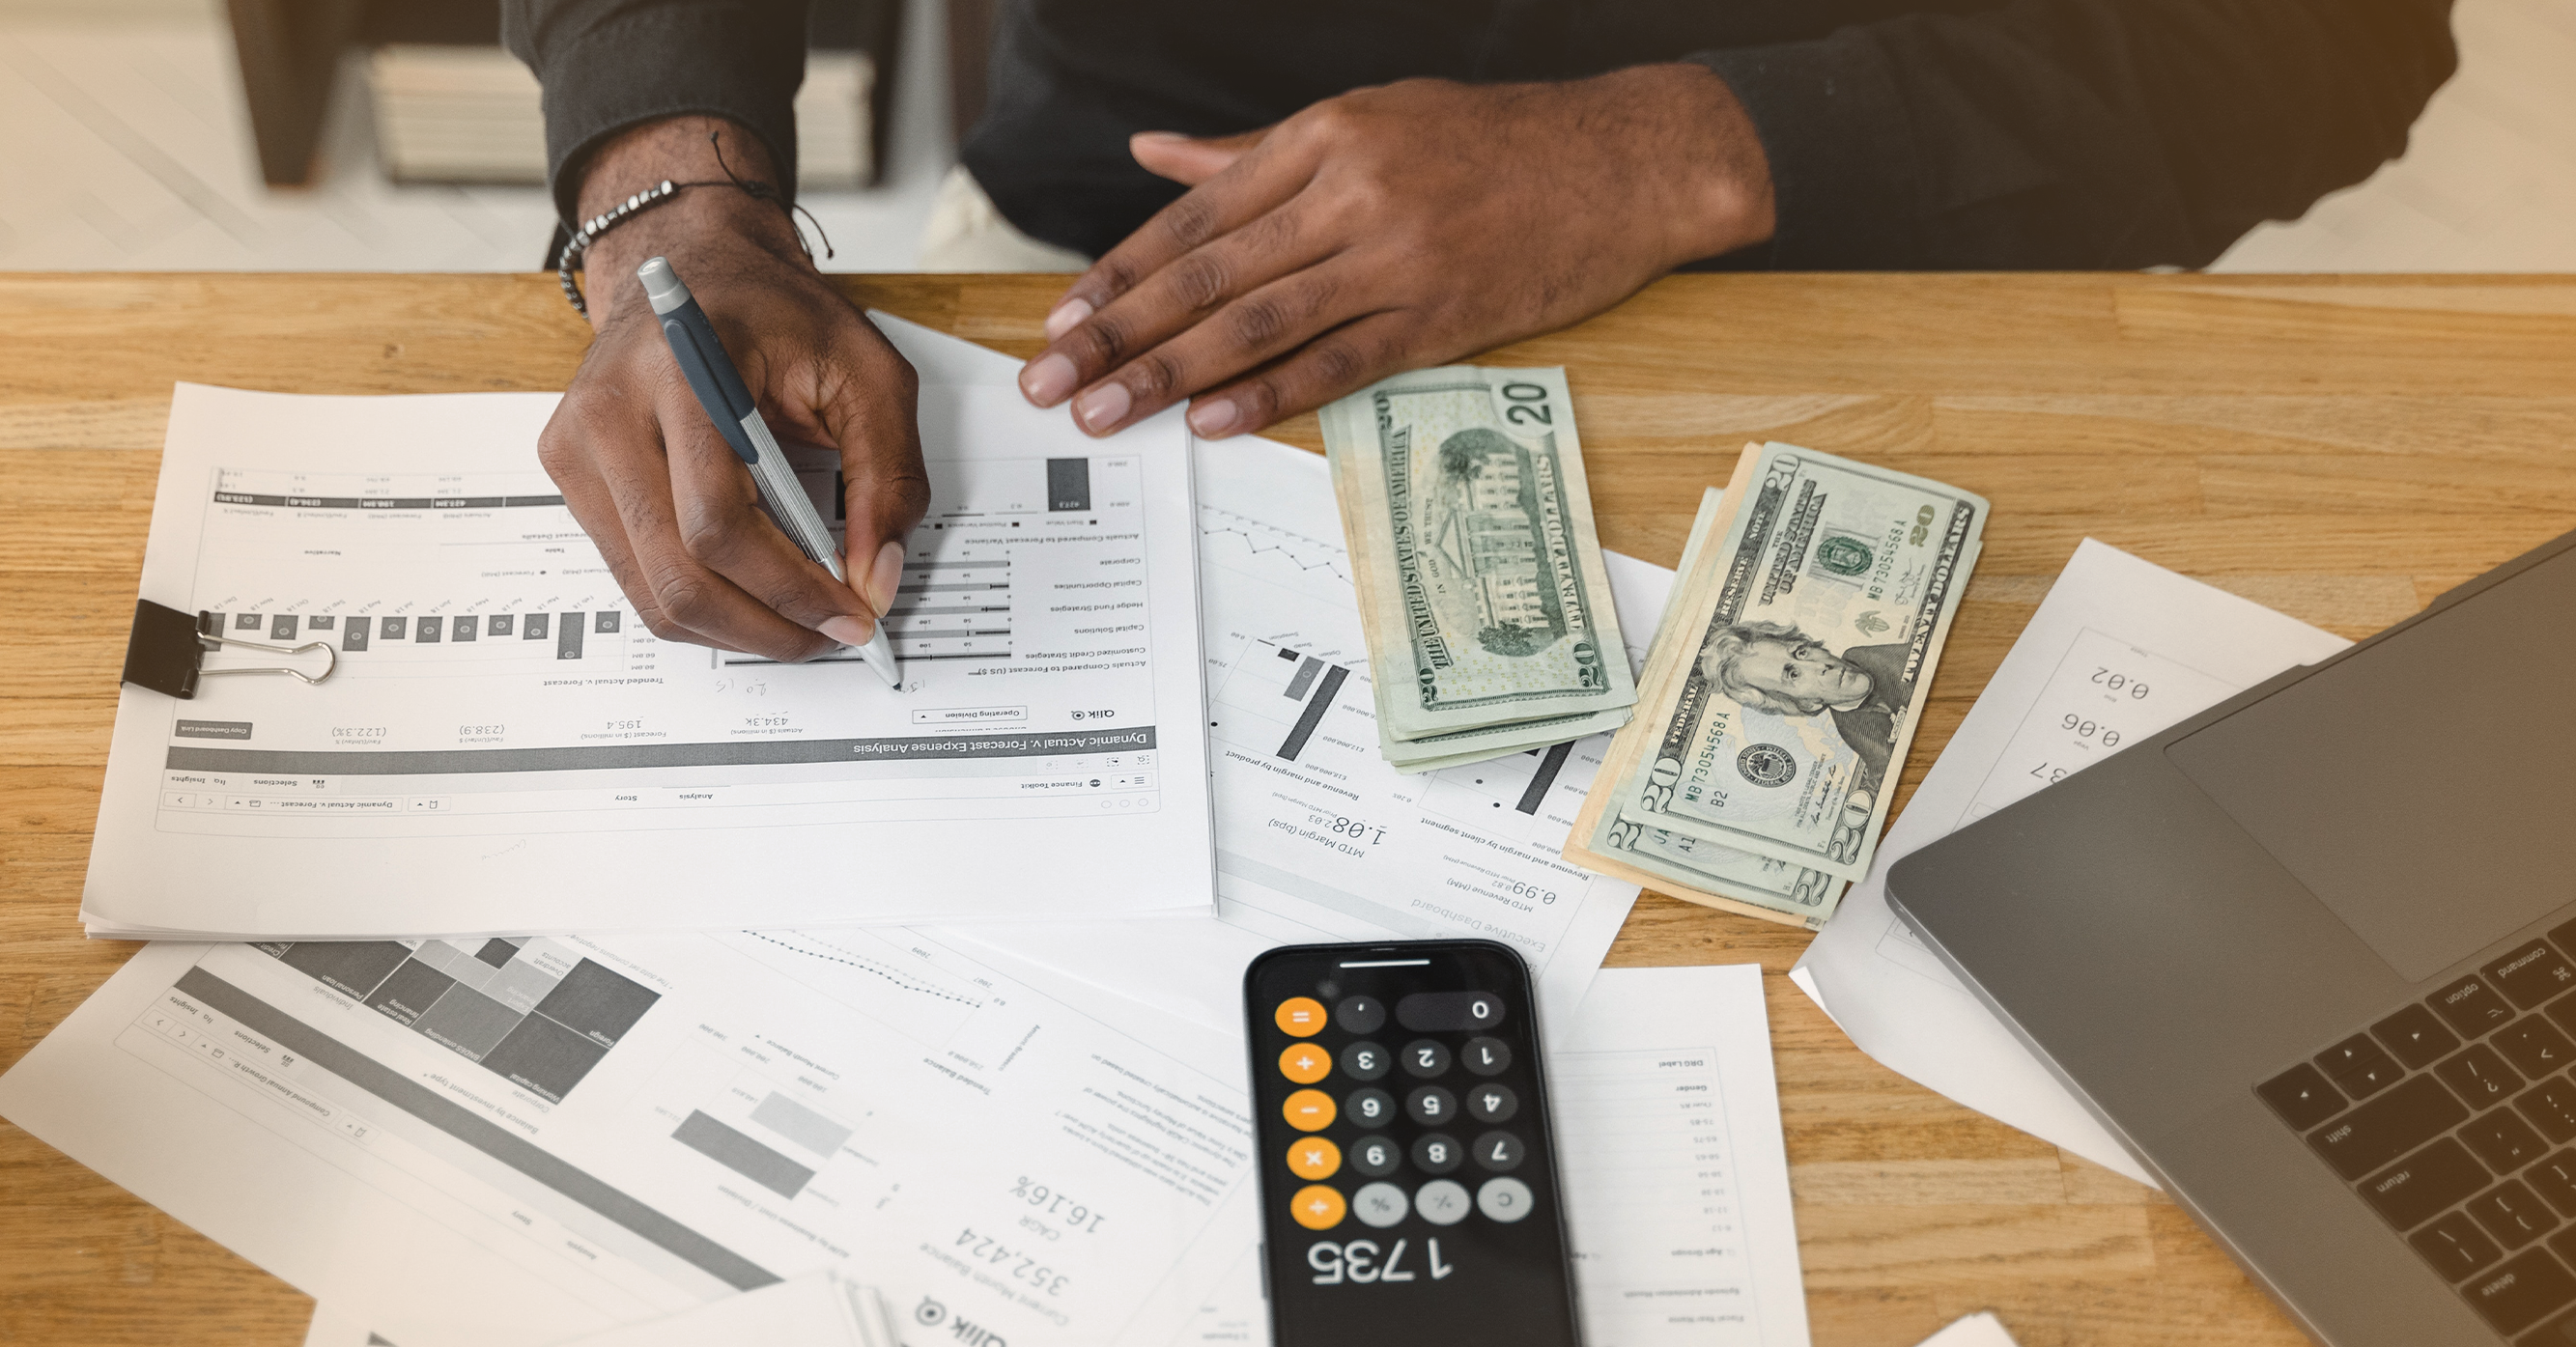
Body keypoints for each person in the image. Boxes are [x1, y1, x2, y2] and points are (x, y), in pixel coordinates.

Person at [502, 0, 2454, 660]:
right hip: (1106, 266)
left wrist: (1671, 146)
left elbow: (2333, 45)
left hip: (1897, 262)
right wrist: (667, 201)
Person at [1699, 621, 1912, 796]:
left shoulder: (1871, 658)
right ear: (1805, 703)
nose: (1820, 666)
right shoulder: (1851, 729)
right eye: (1794, 674)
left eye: (1801, 653)